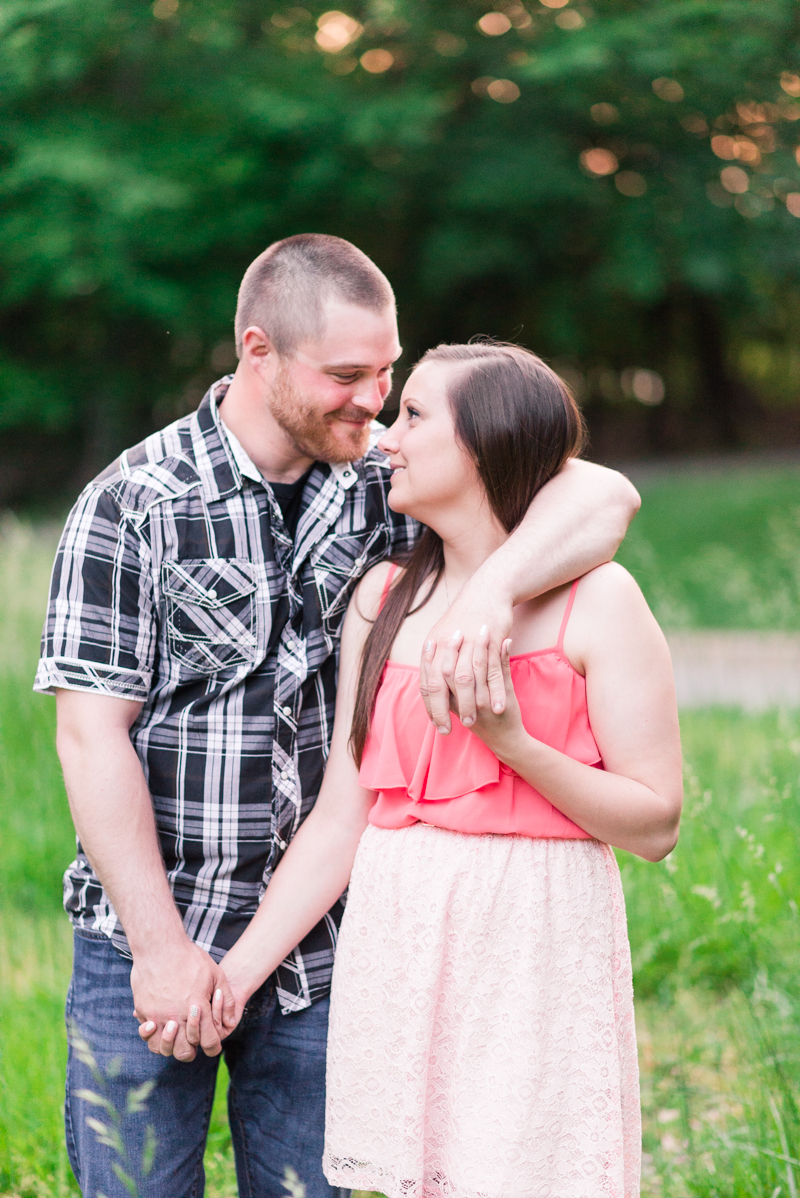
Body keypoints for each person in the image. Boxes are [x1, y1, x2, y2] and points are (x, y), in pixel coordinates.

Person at [37, 234, 640, 1198]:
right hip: (148, 933)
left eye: (388, 372)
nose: (372, 399)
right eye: (347, 375)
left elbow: (603, 492)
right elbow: (90, 733)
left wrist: (493, 595)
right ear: (258, 350)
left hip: (331, 942)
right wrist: (161, 953)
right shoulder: (132, 504)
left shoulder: (385, 482)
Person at [181, 342, 683, 1198]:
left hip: (532, 941)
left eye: (414, 416)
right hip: (406, 941)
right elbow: (342, 821)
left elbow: (656, 823)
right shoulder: (383, 599)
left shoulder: (599, 601)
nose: (385, 436)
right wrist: (233, 976)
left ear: (487, 444)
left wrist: (516, 744)